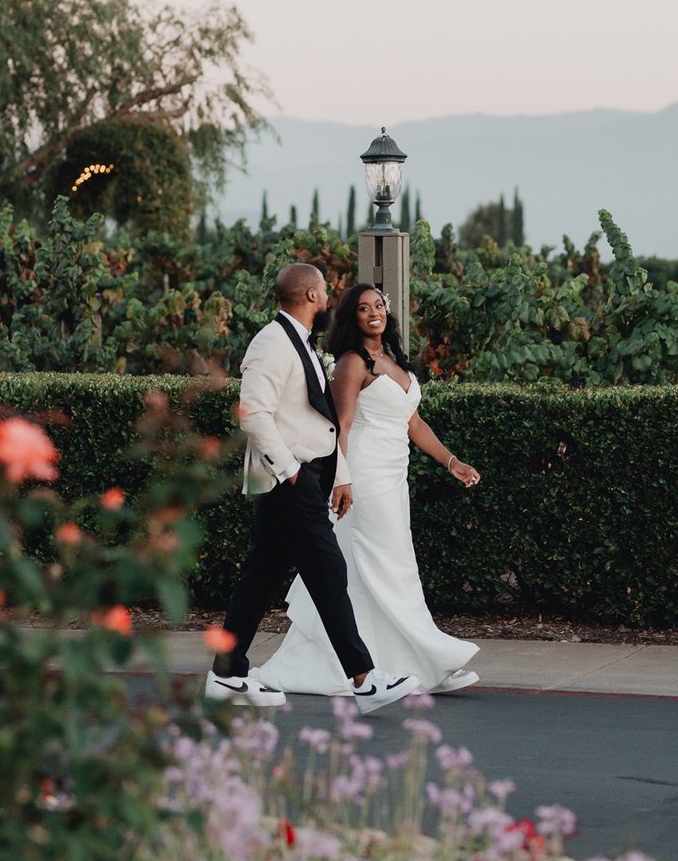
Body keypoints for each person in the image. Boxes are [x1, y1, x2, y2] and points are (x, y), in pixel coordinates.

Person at [205, 263, 421, 715]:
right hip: (290, 481)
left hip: (305, 477)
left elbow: (323, 423)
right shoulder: (271, 343)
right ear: (309, 296)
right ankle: (363, 679)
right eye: (324, 292)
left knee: (260, 577)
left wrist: (337, 474)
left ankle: (226, 673)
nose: (328, 299)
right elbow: (253, 413)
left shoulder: (299, 342)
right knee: (328, 571)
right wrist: (291, 471)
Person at [255, 282, 482, 698]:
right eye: (363, 308)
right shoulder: (351, 364)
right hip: (364, 477)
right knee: (384, 571)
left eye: (379, 305)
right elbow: (337, 428)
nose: (374, 312)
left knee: (391, 570)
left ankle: (414, 665)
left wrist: (452, 462)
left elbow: (412, 423)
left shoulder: (392, 359)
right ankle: (416, 661)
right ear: (351, 317)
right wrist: (340, 478)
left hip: (395, 478)